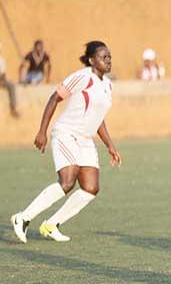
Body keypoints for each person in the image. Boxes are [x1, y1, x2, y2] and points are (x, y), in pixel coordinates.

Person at [10, 41, 122, 243]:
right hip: (66, 134)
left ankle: (51, 225)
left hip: (86, 140)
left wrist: (110, 145)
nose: (108, 60)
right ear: (91, 60)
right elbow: (54, 98)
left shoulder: (107, 85)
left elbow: (99, 118)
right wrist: (42, 131)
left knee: (91, 188)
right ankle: (23, 218)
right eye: (103, 56)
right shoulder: (82, 77)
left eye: (109, 56)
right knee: (67, 181)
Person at [0, 43, 20, 118]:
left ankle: (13, 108)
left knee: (11, 85)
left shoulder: (1, 60)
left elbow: (3, 74)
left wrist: (2, 81)